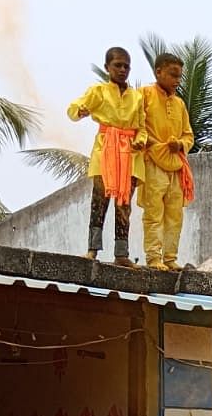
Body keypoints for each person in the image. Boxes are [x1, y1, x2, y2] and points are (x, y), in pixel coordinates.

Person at [67, 46, 146, 266]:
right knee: (99, 202)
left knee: (124, 206)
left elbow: (142, 127)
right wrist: (80, 111)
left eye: (126, 66)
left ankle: (122, 254)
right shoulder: (98, 92)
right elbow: (73, 108)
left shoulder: (137, 97)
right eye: (118, 65)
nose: (122, 70)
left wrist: (140, 139)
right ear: (107, 67)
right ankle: (92, 249)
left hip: (129, 155)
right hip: (106, 151)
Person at [139, 53, 195, 272]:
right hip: (152, 162)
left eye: (179, 77)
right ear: (158, 72)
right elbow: (137, 126)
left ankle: (170, 258)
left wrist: (179, 144)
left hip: (176, 165)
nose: (176, 81)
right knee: (154, 213)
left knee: (175, 215)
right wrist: (155, 144)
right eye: (173, 75)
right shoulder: (144, 95)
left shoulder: (179, 104)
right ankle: (154, 257)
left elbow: (189, 135)